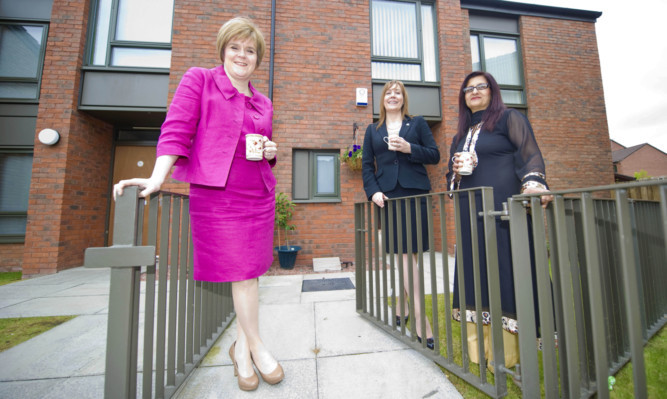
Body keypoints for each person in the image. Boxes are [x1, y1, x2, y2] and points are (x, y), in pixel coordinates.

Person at [113, 17, 283, 392]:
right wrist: (158, 177)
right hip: (219, 198)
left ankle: (240, 351)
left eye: (250, 50)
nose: (243, 55)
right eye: (235, 47)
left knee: (249, 274)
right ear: (223, 49)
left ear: (258, 58)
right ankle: (255, 345)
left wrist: (270, 152)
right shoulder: (199, 80)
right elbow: (176, 128)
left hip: (257, 195)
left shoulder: (263, 101)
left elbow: (261, 147)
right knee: (241, 273)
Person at [447, 71, 552, 375]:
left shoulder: (509, 119)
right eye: (468, 89)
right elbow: (452, 182)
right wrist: (455, 170)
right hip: (470, 217)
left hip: (503, 215)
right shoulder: (459, 136)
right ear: (463, 98)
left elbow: (530, 155)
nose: (474, 91)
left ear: (492, 91)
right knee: (477, 278)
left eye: (481, 86)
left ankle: (507, 359)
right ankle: (480, 354)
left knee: (506, 276)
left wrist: (534, 184)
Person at [361, 80, 441, 349]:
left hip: (416, 194)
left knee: (412, 256)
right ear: (382, 99)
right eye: (388, 93)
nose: (392, 96)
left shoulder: (417, 124)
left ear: (404, 99)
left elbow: (434, 155)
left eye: (397, 92)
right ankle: (421, 319)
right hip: (389, 198)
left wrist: (409, 148)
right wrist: (372, 192)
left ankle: (401, 306)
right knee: (404, 256)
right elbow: (366, 166)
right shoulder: (373, 130)